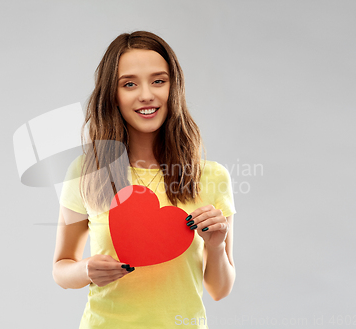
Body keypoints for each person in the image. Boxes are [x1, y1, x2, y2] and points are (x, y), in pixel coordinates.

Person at [52, 31, 236, 329]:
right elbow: (61, 269)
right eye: (129, 84)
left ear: (173, 87)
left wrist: (215, 247)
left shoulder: (212, 176)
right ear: (112, 95)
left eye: (158, 81)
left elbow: (220, 289)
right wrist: (87, 269)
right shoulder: (87, 171)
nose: (146, 94)